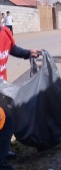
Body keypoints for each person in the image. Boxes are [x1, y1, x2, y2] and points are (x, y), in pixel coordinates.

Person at [0, 25, 41, 170]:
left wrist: (28, 53)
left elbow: (12, 49)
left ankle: (2, 151)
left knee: (4, 122)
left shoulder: (5, 32)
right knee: (6, 123)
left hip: (1, 87)